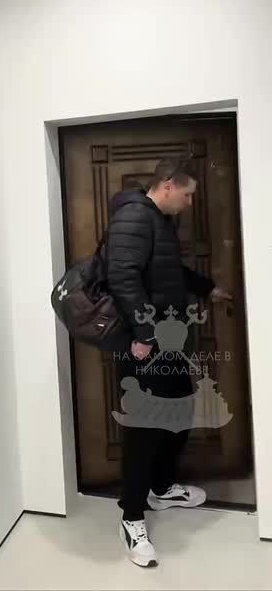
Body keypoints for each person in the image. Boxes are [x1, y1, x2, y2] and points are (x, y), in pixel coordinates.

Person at [105, 157, 232, 567]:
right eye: (188, 194)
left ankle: (160, 489)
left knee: (179, 413)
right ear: (167, 186)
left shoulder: (158, 221)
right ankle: (131, 517)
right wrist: (145, 335)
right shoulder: (134, 217)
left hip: (165, 341)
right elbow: (122, 277)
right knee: (145, 428)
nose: (190, 203)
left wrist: (207, 288)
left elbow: (168, 271)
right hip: (145, 345)